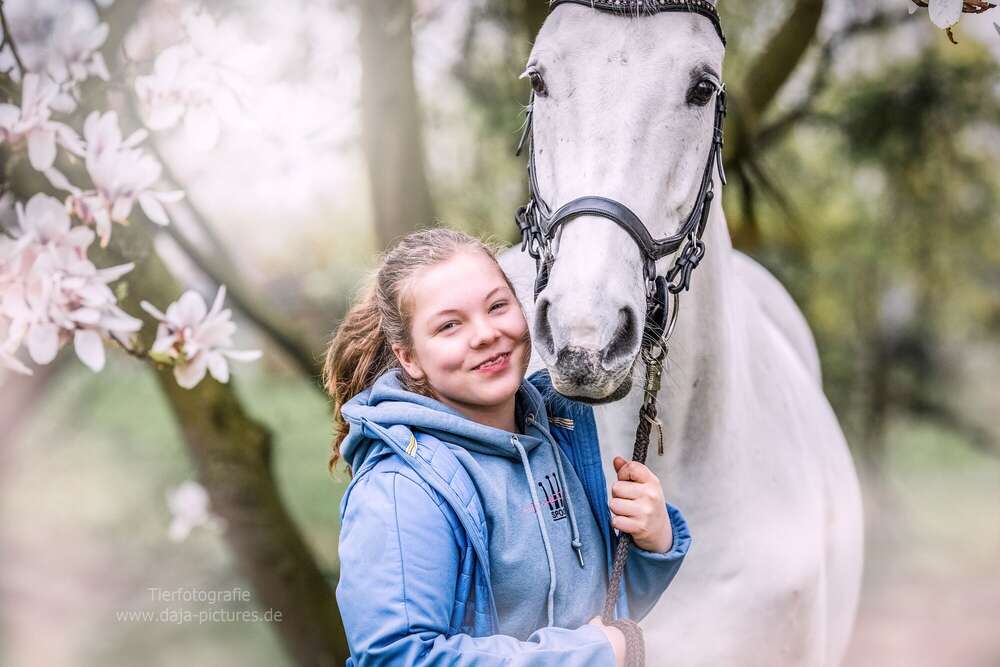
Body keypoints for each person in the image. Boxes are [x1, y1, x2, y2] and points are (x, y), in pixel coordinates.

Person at [323, 227, 691, 666]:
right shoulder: (400, 490)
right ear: (409, 358)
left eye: (497, 306)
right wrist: (589, 655)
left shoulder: (558, 438)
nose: (485, 334)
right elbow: (398, 657)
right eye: (449, 325)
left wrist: (651, 542)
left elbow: (602, 619)